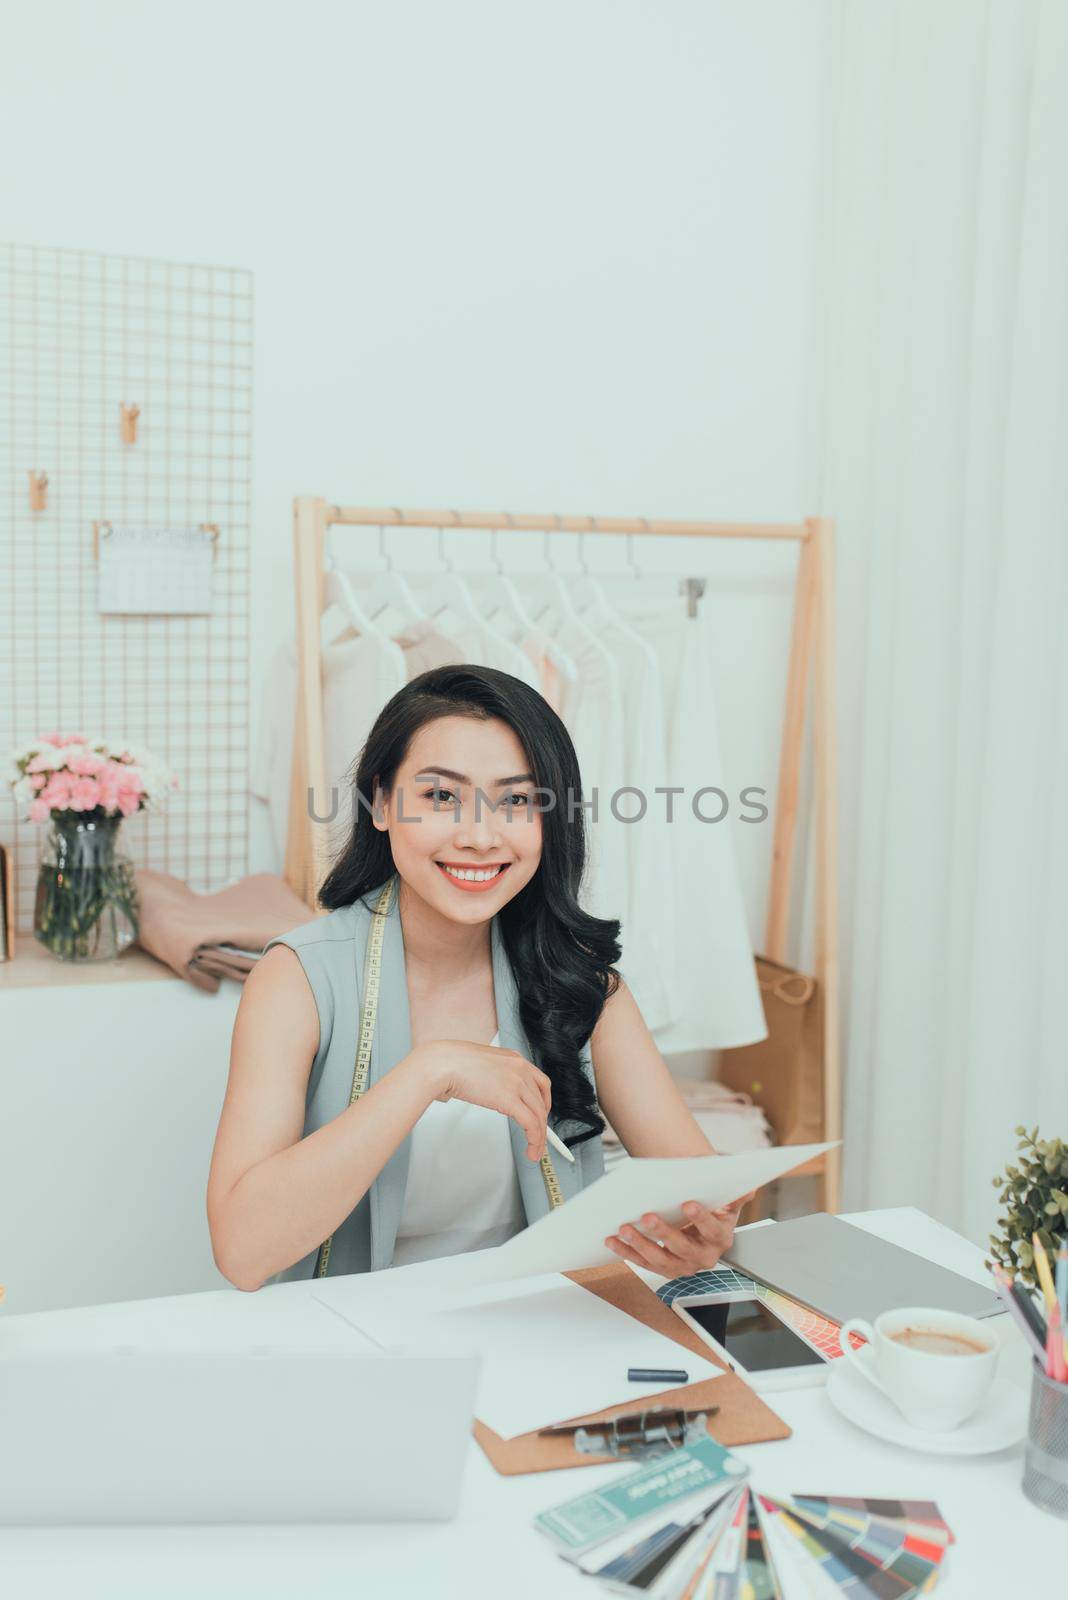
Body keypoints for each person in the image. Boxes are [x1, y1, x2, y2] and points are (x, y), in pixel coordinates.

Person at [208, 664, 752, 1290]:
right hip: (357, 1341)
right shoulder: (299, 978)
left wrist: (703, 1234)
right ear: (381, 803)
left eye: (517, 800)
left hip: (538, 1331)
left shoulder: (579, 981)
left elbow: (696, 1189)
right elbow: (242, 1253)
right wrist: (428, 1073)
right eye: (442, 797)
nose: (479, 836)